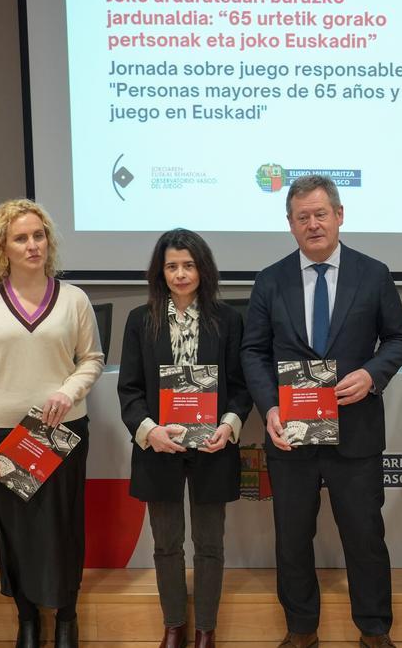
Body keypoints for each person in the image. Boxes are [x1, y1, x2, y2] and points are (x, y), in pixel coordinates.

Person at [240, 174, 402, 648]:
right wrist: (270, 406)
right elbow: (253, 352)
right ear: (290, 225)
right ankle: (301, 630)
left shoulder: (373, 273)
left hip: (355, 434)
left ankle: (375, 630)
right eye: (302, 217)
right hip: (290, 435)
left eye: (321, 214)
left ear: (339, 216)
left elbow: (399, 337)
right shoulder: (270, 280)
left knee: (364, 537)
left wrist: (373, 374)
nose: (313, 224)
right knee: (292, 539)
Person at [0, 199, 104, 648]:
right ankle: (26, 619)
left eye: (39, 235)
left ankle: (66, 619)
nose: (32, 244)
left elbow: (92, 359)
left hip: (61, 433)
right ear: (2, 246)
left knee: (64, 529)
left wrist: (68, 391)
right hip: (2, 437)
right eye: (21, 237)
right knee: (16, 533)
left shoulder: (74, 298)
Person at [117, 229, 253, 648]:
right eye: (172, 266)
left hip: (213, 448)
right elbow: (130, 390)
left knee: (210, 544)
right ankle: (174, 625)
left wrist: (229, 426)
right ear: (161, 271)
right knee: (166, 543)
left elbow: (241, 386)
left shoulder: (229, 320)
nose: (180, 274)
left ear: (203, 269)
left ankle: (205, 630)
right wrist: (149, 431)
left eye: (188, 265)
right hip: (160, 447)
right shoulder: (141, 320)